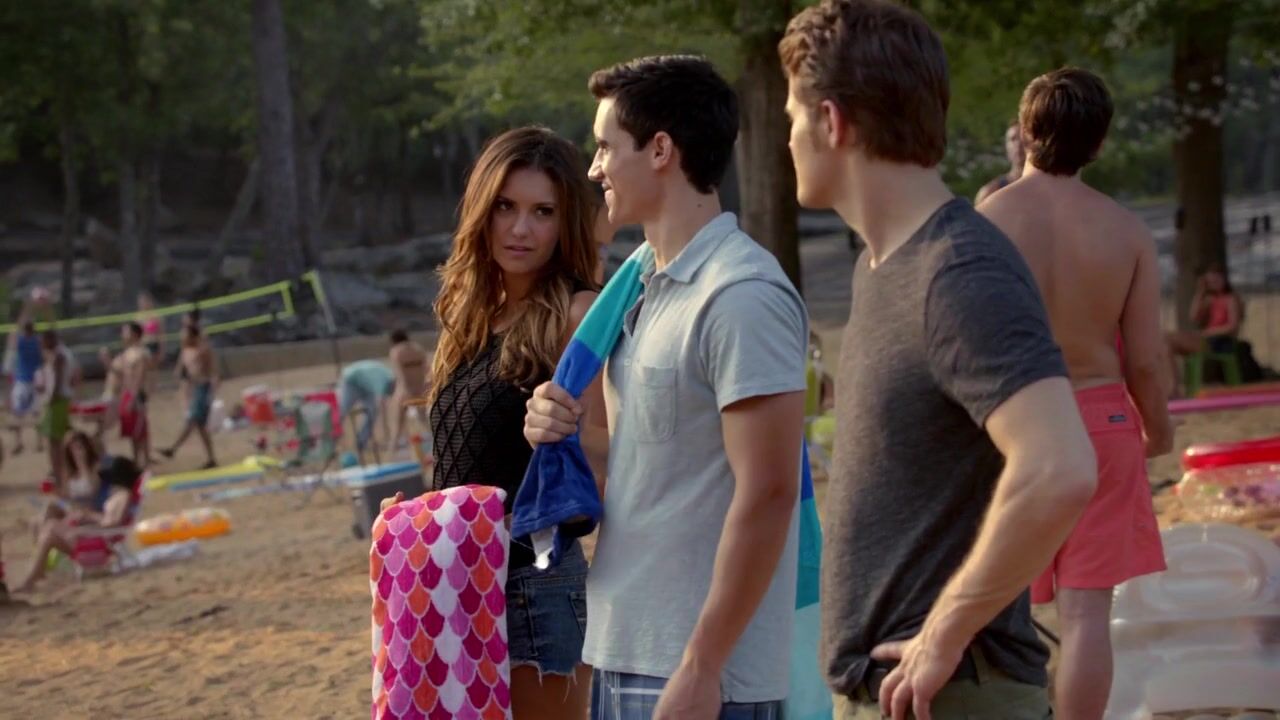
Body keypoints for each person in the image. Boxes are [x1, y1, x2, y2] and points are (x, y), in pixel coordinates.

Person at [778, 3, 1098, 719]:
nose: (787, 137)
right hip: (896, 693)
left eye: (793, 116)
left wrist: (946, 629)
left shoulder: (957, 270)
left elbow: (1060, 468)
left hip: (951, 695)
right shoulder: (883, 266)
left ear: (831, 121)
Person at [524, 56, 807, 720]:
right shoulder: (642, 288)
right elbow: (653, 463)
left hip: (697, 669)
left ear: (659, 151)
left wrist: (703, 664)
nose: (594, 169)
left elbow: (769, 492)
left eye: (605, 147)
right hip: (627, 644)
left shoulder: (740, 294)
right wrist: (564, 431)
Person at [978, 67, 1173, 719]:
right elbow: (1145, 359)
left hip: (1014, 422)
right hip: (1101, 420)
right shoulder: (1126, 231)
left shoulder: (988, 220)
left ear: (1026, 130)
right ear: (1100, 142)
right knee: (1086, 612)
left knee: (993, 599)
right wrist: (1158, 430)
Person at [413, 125, 603, 719]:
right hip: (451, 580)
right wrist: (417, 517)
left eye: (543, 211)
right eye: (505, 207)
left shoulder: (578, 312)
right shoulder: (470, 316)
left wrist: (563, 433)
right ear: (481, 211)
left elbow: (607, 457)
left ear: (565, 222)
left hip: (532, 588)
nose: (521, 229)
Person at [13, 431, 141, 594]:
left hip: (96, 543)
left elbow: (112, 524)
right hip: (89, 535)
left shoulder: (122, 496)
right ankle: (35, 575)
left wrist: (87, 517)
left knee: (50, 527)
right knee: (47, 530)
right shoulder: (115, 496)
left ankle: (34, 577)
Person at [1167, 263, 1242, 394]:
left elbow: (1232, 326)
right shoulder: (1209, 299)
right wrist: (1200, 292)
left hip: (1220, 342)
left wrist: (1208, 333)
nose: (1214, 284)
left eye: (1216, 280)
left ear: (1224, 279)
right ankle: (1173, 385)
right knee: (1165, 342)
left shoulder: (1230, 299)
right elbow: (1193, 316)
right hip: (1207, 339)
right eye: (1210, 282)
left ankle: (1174, 387)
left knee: (1167, 340)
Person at [158, 325, 219, 469]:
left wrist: (212, 391)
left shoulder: (202, 350)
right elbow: (181, 374)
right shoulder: (185, 352)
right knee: (200, 427)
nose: (182, 337)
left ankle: (173, 449)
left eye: (185, 334)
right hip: (195, 389)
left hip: (203, 388)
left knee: (193, 421)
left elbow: (212, 370)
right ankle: (211, 458)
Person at [37, 330, 74, 484]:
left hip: (57, 400)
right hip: (58, 399)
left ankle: (58, 472)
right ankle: (59, 470)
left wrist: (52, 398)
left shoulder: (59, 356)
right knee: (57, 437)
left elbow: (57, 380)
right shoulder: (57, 354)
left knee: (54, 439)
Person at [338, 359, 395, 454]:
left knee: (372, 413)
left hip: (366, 385)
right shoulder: (382, 381)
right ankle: (330, 440)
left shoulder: (389, 378)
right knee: (342, 412)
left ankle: (361, 442)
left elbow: (382, 402)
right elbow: (380, 402)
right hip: (351, 381)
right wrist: (386, 429)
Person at [6, 316, 44, 455]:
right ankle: (38, 443)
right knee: (35, 413)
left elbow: (12, 337)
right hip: (34, 380)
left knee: (18, 413)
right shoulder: (38, 341)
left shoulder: (22, 341)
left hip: (22, 381)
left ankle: (19, 443)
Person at [386, 329, 429, 451]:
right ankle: (437, 438)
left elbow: (400, 374)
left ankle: (393, 447)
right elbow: (426, 369)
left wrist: (405, 390)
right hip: (420, 388)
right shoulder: (418, 349)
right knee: (423, 419)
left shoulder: (396, 351)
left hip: (405, 390)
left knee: (397, 421)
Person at [117, 322, 152, 467]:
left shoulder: (141, 353)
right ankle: (136, 461)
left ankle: (146, 461)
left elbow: (140, 377)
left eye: (126, 331)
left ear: (135, 334)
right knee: (131, 431)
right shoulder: (126, 353)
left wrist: (134, 396)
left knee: (140, 430)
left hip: (136, 394)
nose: (123, 334)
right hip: (127, 393)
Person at [974, 122, 1025, 205]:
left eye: (1023, 138)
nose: (1018, 144)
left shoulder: (1044, 188)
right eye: (1013, 139)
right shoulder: (990, 193)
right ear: (1006, 146)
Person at [137, 291, 163, 369]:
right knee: (143, 368)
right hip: (143, 346)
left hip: (154, 344)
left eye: (144, 301)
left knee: (154, 369)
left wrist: (162, 350)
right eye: (141, 302)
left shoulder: (156, 316)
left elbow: (161, 334)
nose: (143, 304)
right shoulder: (138, 318)